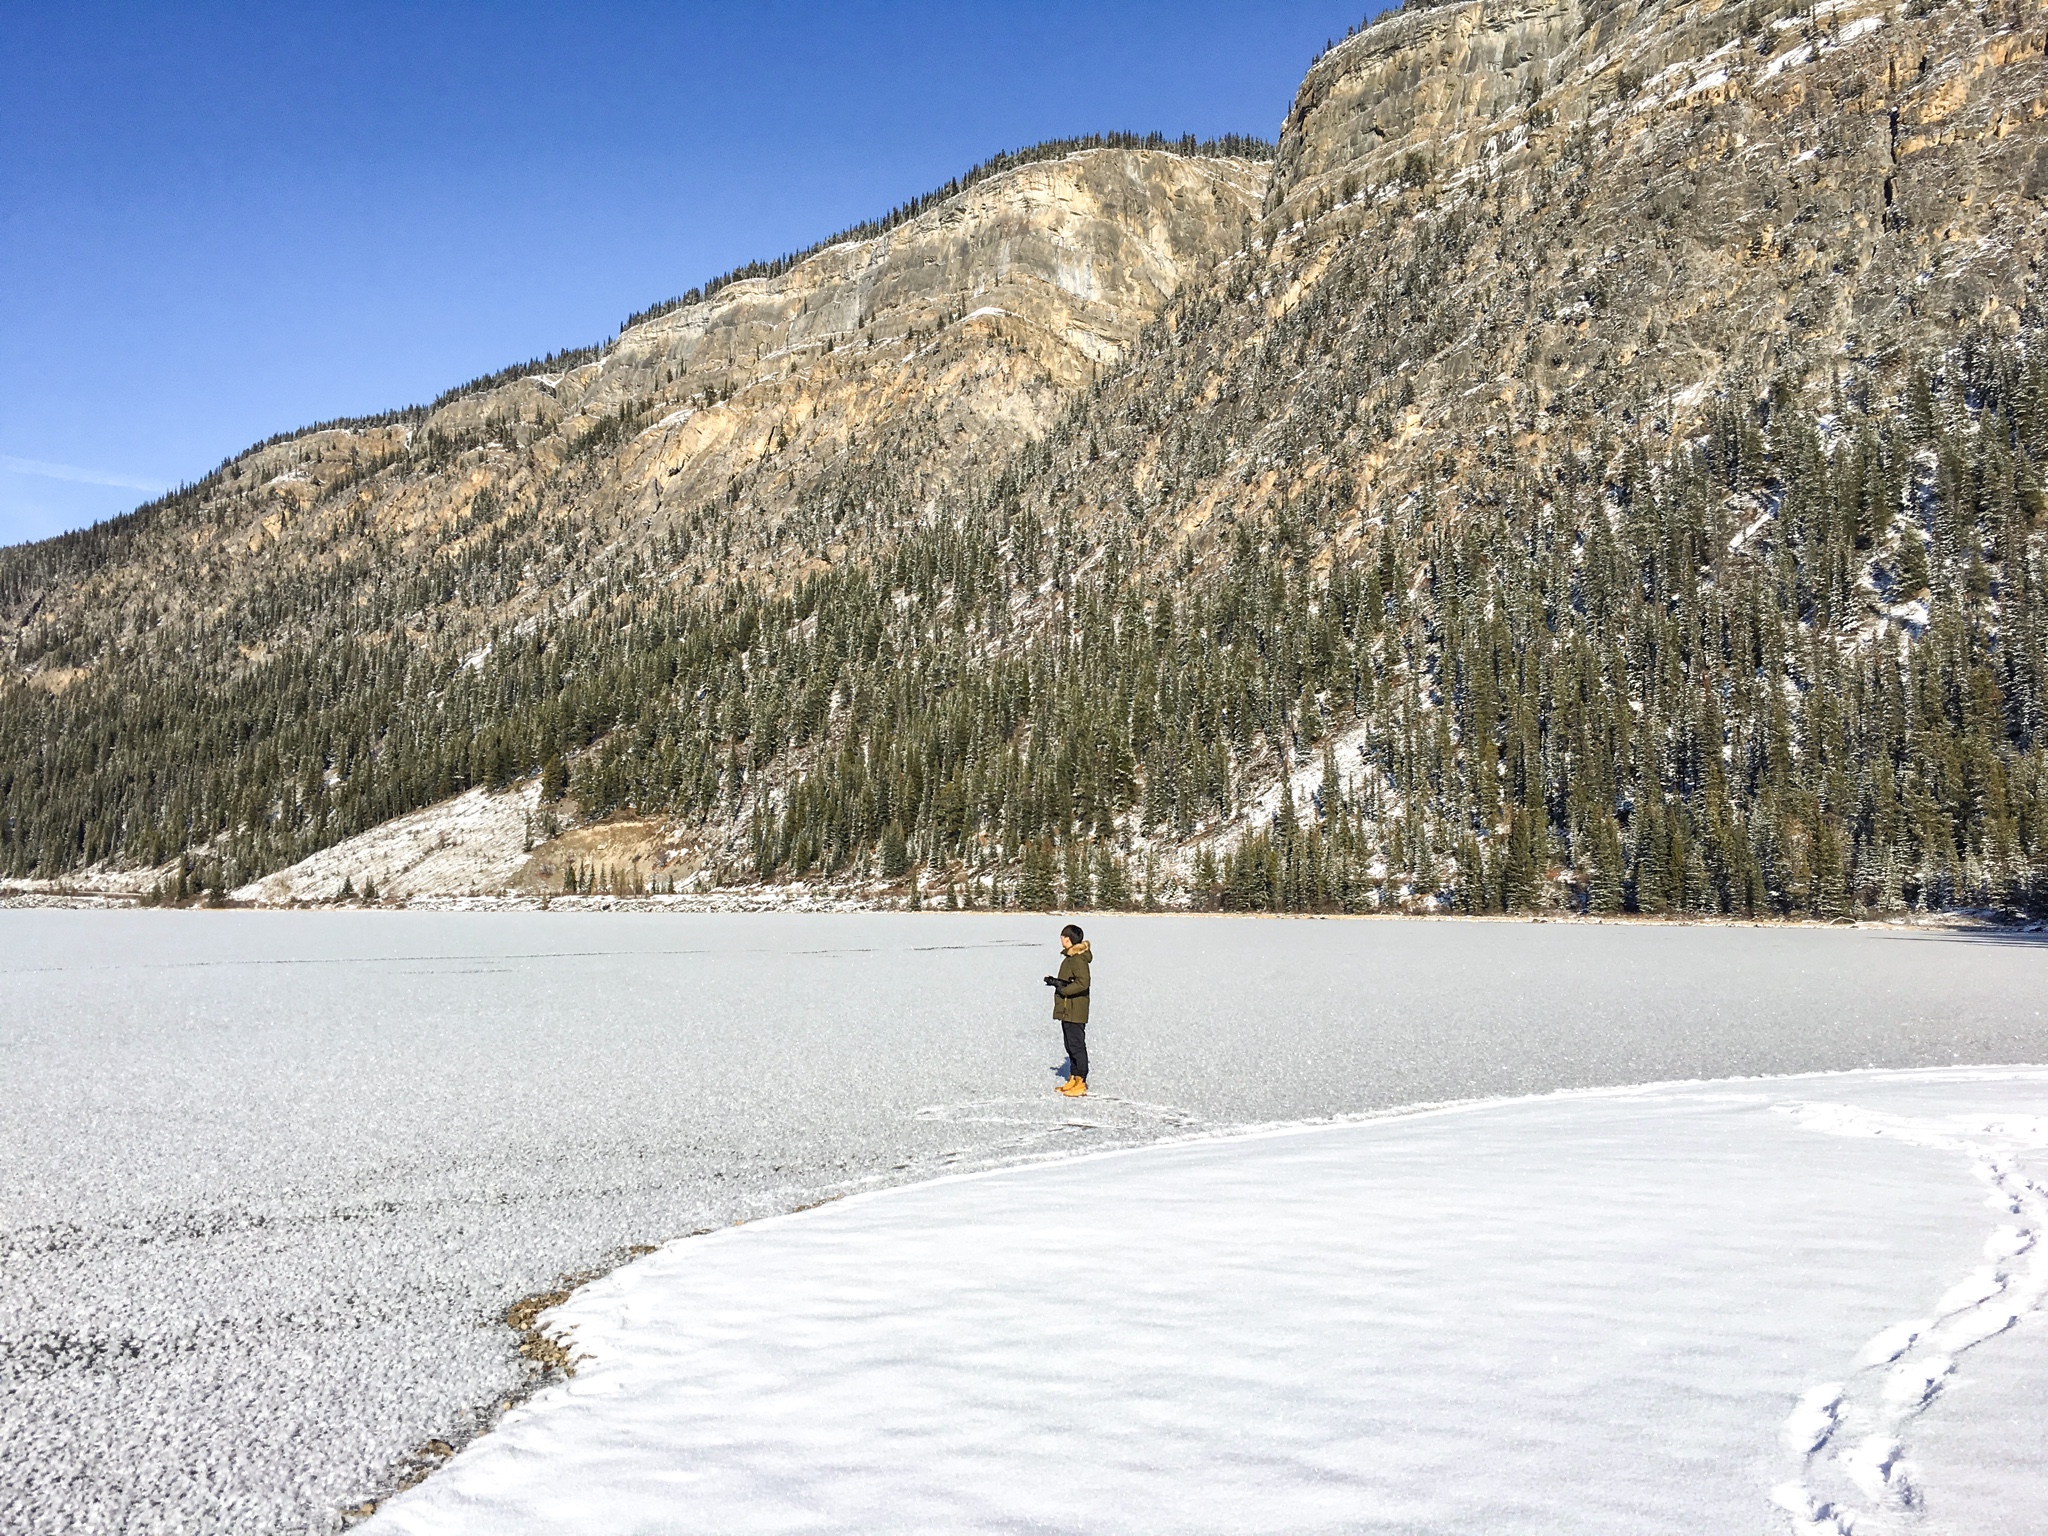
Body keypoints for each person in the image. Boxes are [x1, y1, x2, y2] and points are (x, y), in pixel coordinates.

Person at [1044, 923, 1092, 1097]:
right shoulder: (1070, 958)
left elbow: (1083, 982)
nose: (1061, 940)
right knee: (1069, 1044)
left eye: (1063, 937)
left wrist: (1063, 989)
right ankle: (1073, 1077)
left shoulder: (1078, 959)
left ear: (1069, 939)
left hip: (1075, 1009)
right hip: (1067, 1008)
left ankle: (1081, 1082)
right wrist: (1056, 982)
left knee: (1077, 1045)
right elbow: (1070, 980)